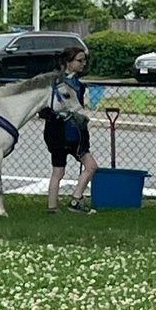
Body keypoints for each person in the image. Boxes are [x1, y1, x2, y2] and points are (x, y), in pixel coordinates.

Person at [41, 45, 100, 213]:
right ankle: (52, 207)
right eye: (79, 60)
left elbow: (78, 107)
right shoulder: (54, 83)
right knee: (58, 171)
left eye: (84, 60)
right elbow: (45, 110)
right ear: (68, 62)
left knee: (91, 166)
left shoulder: (79, 85)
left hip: (77, 135)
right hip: (59, 134)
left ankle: (76, 200)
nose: (83, 64)